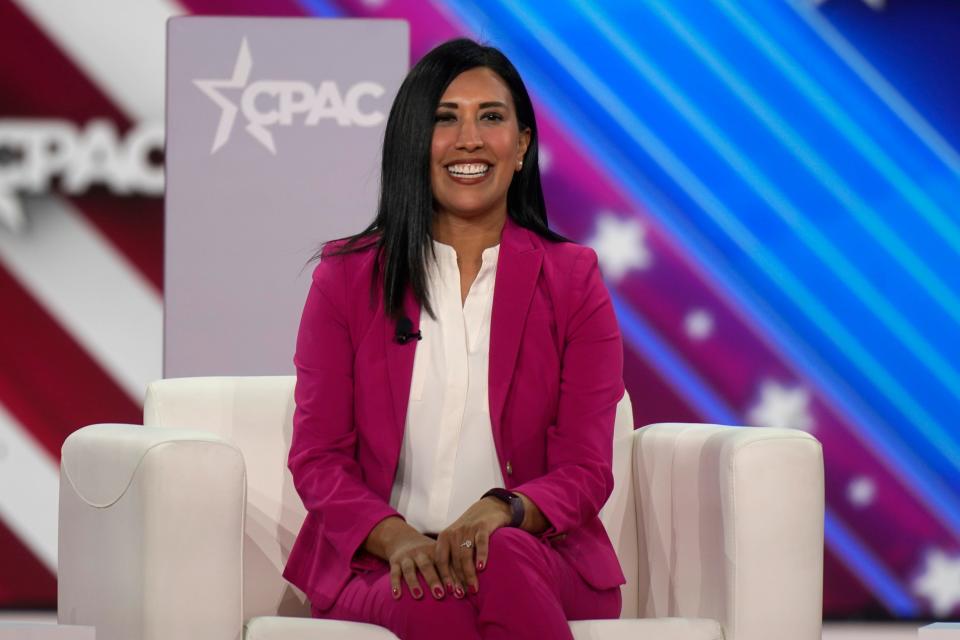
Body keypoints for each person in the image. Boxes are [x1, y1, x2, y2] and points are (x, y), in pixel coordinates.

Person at [282, 38, 626, 640]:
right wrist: (401, 541)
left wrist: (502, 511)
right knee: (432, 595)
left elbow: (586, 468)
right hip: (383, 561)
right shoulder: (346, 278)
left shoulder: (573, 280)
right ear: (415, 142)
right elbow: (320, 460)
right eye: (445, 119)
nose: (469, 138)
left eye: (491, 117)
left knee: (504, 560)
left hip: (536, 555)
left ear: (521, 146)